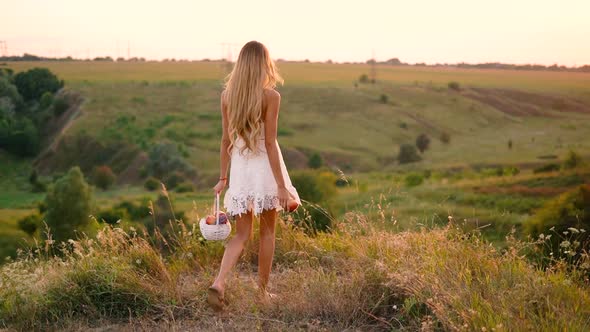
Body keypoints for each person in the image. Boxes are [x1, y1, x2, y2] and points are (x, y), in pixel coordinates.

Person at [208, 40, 301, 311]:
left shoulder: (227, 96)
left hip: (240, 168)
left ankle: (219, 282)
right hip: (264, 168)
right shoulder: (271, 97)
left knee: (241, 235)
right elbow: (270, 143)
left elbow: (225, 140)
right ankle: (262, 293)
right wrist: (282, 186)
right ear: (263, 64)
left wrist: (223, 178)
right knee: (267, 232)